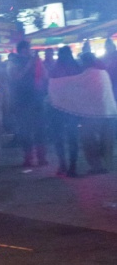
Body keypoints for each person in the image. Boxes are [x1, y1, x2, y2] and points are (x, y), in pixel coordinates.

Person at [6, 39, 48, 167]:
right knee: (25, 129)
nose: (30, 51)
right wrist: (30, 64)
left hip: (36, 98)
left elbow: (45, 76)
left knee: (39, 129)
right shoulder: (13, 62)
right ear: (22, 50)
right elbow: (15, 77)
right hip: (22, 99)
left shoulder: (36, 61)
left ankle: (41, 157)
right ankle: (28, 157)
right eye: (28, 48)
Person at [46, 47, 82, 177]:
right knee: (72, 138)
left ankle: (63, 165)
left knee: (59, 138)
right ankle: (72, 166)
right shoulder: (77, 67)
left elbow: (49, 86)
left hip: (57, 108)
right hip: (73, 107)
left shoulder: (56, 68)